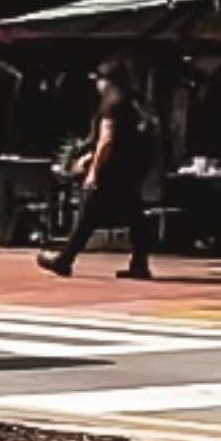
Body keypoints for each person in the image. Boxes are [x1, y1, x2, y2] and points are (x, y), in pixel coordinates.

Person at [41, 60, 154, 280]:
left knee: (88, 213)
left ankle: (64, 259)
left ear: (108, 82)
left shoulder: (112, 105)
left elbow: (106, 140)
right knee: (135, 217)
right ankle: (140, 263)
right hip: (133, 168)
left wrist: (93, 169)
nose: (97, 85)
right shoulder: (137, 103)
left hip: (110, 169)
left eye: (99, 80)